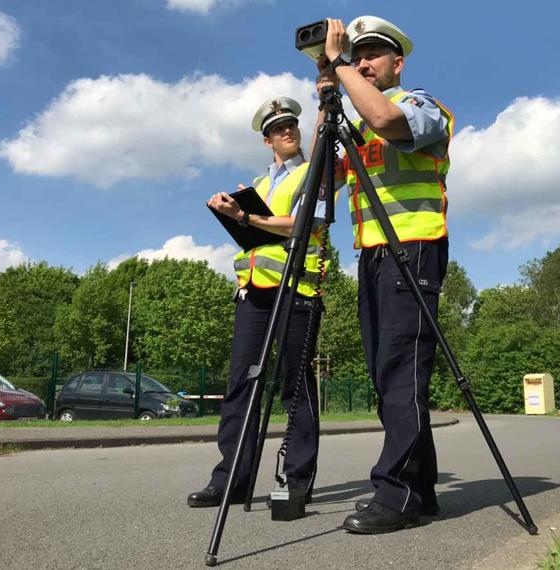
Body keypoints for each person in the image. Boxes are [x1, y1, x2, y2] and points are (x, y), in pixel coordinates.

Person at [315, 15, 454, 534]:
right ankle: (423, 491)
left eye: (373, 54)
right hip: (373, 256)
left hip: (413, 250)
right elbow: (323, 180)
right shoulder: (357, 115)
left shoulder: (423, 106)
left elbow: (388, 124)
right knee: (387, 375)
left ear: (398, 63)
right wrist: (326, 98)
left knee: (400, 374)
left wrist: (344, 65)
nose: (364, 61)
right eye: (359, 53)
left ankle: (395, 495)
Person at [186, 97, 323, 508]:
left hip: (297, 290)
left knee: (295, 387)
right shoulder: (257, 187)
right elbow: (256, 231)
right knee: (240, 386)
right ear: (267, 140)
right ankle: (232, 480)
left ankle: (297, 482)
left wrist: (247, 218)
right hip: (253, 294)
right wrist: (231, 210)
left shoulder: (312, 174)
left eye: (291, 125)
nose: (288, 131)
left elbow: (301, 224)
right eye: (279, 128)